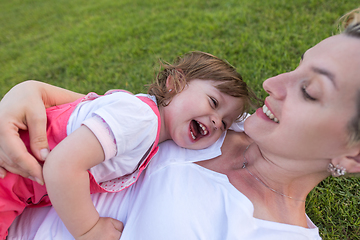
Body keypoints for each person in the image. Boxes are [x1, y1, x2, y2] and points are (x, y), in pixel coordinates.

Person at [2, 7, 360, 240]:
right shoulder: (234, 125)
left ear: (353, 157)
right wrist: (28, 92)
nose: (272, 84)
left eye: (310, 91)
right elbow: (91, 116)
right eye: (298, 64)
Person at [0, 51, 257, 240]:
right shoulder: (140, 122)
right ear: (175, 83)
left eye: (224, 122)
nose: (216, 121)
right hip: (9, 176)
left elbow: (77, 106)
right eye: (213, 102)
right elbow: (61, 166)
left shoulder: (137, 112)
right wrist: (90, 229)